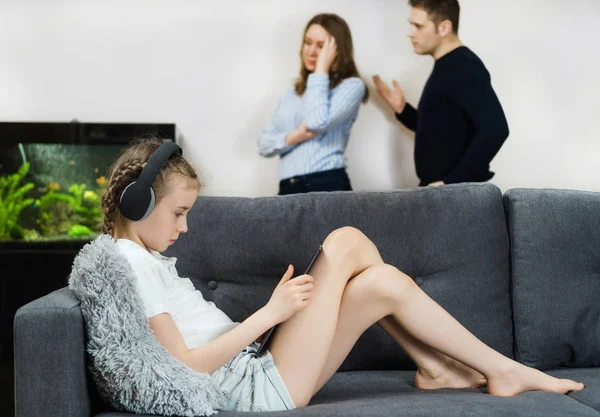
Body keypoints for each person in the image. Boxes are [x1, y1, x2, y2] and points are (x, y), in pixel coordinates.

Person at [101, 138, 584, 412]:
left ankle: (442, 371)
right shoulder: (130, 262)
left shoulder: (139, 259)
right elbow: (184, 366)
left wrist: (272, 321)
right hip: (253, 388)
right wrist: (270, 314)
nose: (185, 228)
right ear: (137, 203)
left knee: (382, 283)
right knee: (348, 242)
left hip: (256, 367)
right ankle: (501, 368)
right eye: (179, 213)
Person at [373, 0, 509, 187]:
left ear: (444, 27)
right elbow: (438, 130)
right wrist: (403, 109)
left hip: (455, 195)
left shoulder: (464, 66)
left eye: (418, 26)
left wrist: (449, 183)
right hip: (443, 193)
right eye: (410, 25)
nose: (410, 32)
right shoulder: (446, 65)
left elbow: (496, 129)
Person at [258, 13, 368, 195]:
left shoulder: (352, 86)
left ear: (337, 50)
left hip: (327, 182)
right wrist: (297, 136)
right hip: (288, 188)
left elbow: (316, 121)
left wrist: (321, 70)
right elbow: (263, 144)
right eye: (307, 43)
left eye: (321, 46)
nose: (310, 52)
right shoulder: (291, 93)